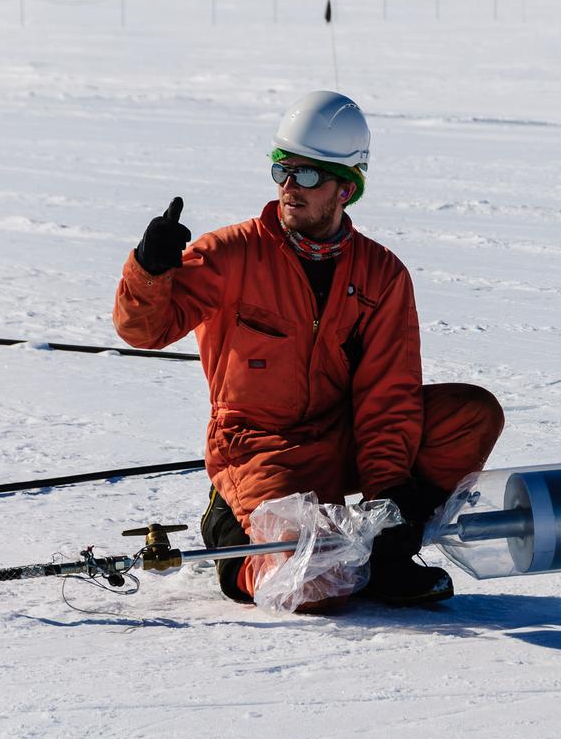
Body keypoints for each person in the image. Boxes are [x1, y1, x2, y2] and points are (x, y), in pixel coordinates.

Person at [113, 90, 504, 608]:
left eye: (309, 175)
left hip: (342, 437)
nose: (290, 187)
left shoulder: (381, 275)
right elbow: (144, 331)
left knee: (470, 415)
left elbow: (388, 392)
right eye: (282, 170)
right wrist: (150, 268)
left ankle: (387, 557)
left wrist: (389, 499)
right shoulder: (231, 254)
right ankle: (235, 536)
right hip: (260, 447)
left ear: (347, 189)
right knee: (316, 585)